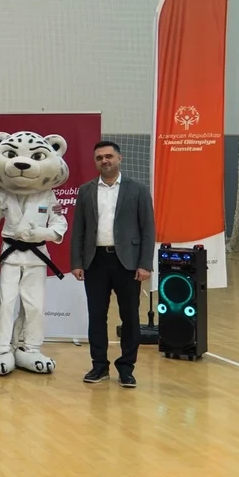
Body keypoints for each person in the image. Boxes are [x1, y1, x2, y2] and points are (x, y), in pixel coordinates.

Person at [71, 141, 155, 389]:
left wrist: (145, 264)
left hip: (127, 263)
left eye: (109, 156)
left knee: (130, 317)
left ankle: (127, 368)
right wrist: (77, 262)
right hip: (95, 261)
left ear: (120, 158)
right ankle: (99, 366)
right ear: (95, 162)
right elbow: (78, 229)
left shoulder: (138, 190)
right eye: (99, 158)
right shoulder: (86, 191)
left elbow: (148, 229)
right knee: (96, 316)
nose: (104, 161)